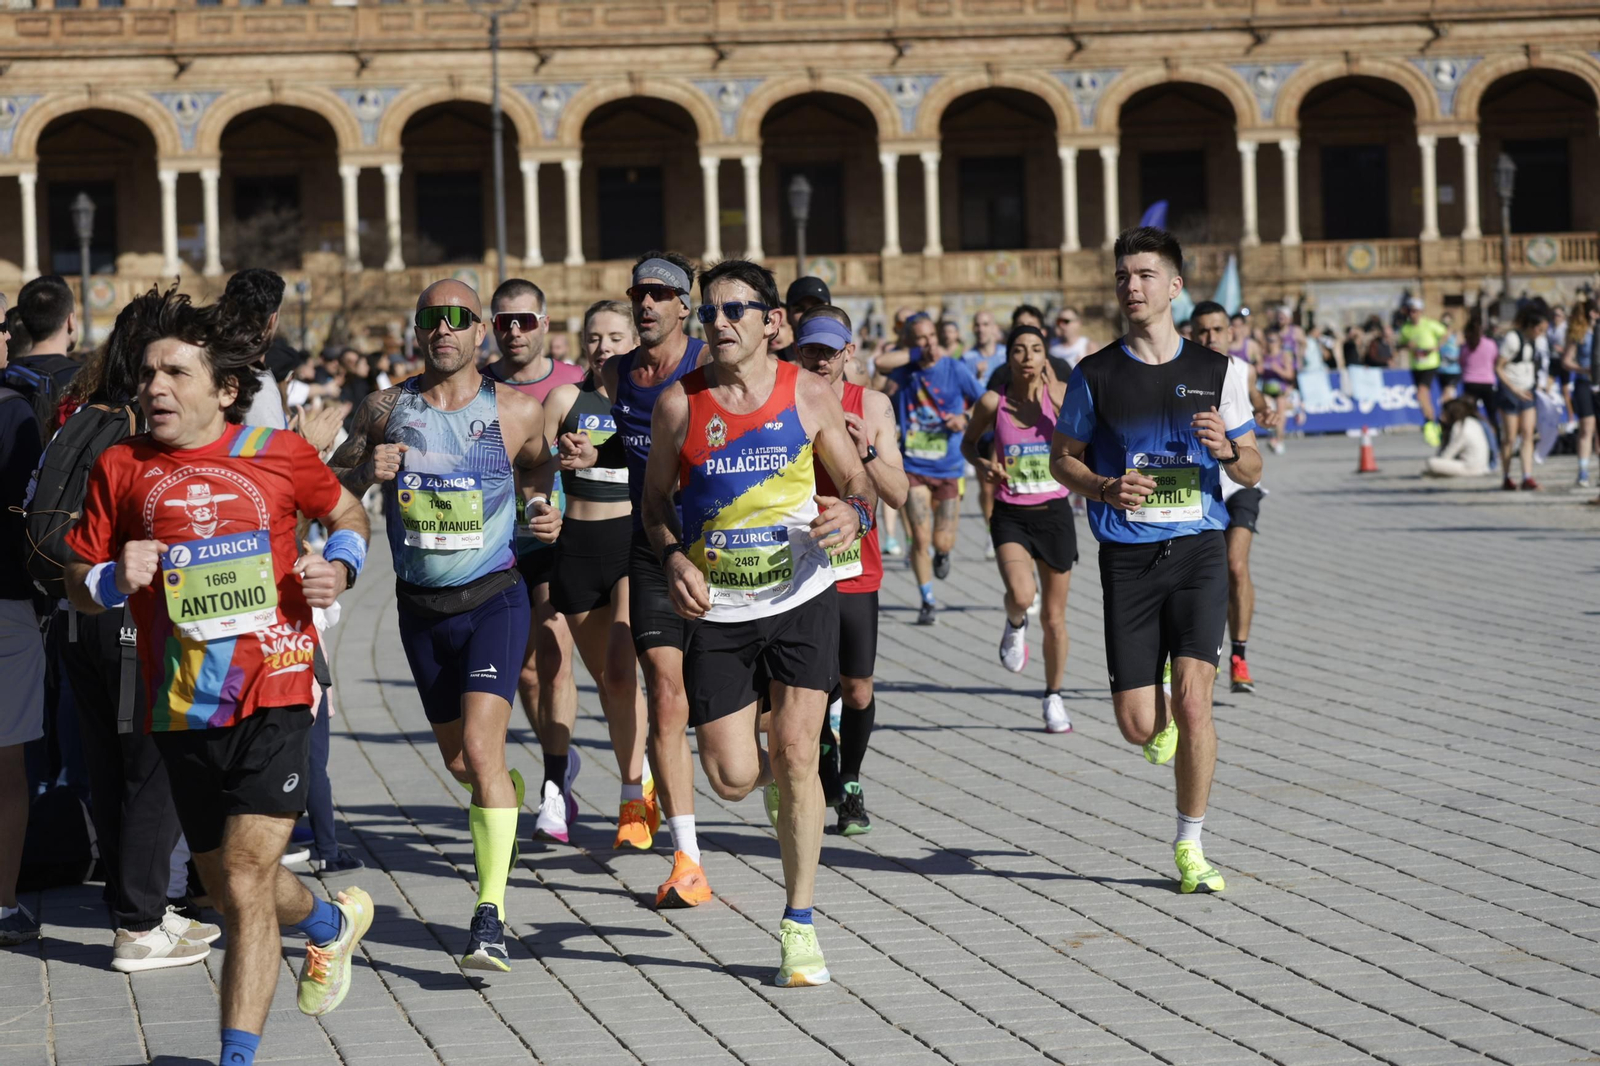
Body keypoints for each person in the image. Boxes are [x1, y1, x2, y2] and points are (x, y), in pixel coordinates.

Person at [62, 287, 375, 1066]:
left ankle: (235, 1057)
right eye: (145, 373)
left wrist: (339, 564)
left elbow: (348, 515)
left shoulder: (278, 453)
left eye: (174, 373)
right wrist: (108, 578)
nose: (153, 387)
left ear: (224, 388)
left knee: (240, 877)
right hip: (180, 705)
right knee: (241, 888)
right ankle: (329, 926)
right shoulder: (120, 465)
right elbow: (75, 575)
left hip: (276, 687)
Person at [641, 258, 873, 986]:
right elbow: (654, 509)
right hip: (720, 610)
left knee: (801, 754)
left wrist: (853, 510)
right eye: (710, 312)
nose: (719, 323)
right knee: (735, 775)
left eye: (735, 310)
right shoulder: (679, 406)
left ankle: (799, 924)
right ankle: (779, 781)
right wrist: (674, 558)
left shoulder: (805, 392)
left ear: (771, 321)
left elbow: (858, 480)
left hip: (802, 598)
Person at [330, 279, 561, 971]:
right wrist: (365, 471)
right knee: (463, 763)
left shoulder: (516, 410)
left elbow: (540, 467)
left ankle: (488, 917)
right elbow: (330, 490)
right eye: (433, 319)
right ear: (419, 330)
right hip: (419, 608)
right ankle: (507, 801)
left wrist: (543, 506)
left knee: (484, 756)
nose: (445, 330)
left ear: (481, 330)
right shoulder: (385, 408)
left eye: (459, 319)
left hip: (494, 597)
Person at [1049, 226, 1262, 895]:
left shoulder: (1219, 371)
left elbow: (1252, 465)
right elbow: (1063, 459)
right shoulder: (1096, 374)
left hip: (1198, 548)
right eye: (1121, 276)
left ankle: (1190, 845)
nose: (1131, 287)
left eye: (1144, 275)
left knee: (1196, 705)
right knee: (1140, 724)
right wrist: (1104, 486)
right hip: (1128, 558)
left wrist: (1228, 450)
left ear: (1174, 286)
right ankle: (1157, 697)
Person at [575, 252, 713, 909]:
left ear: (685, 305)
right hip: (651, 545)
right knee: (661, 683)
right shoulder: (616, 373)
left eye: (662, 294)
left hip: (725, 551)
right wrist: (592, 452)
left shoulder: (707, 368)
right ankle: (686, 854)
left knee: (731, 750)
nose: (648, 304)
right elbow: (637, 446)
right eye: (640, 294)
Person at [545, 299, 656, 849]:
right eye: (593, 337)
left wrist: (600, 458)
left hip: (629, 542)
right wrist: (541, 505)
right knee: (612, 685)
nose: (603, 347)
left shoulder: (643, 399)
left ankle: (632, 794)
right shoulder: (567, 398)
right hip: (577, 547)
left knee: (620, 666)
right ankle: (637, 774)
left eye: (615, 336)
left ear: (633, 339)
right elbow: (532, 462)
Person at [794, 304, 907, 836]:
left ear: (849, 351)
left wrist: (865, 452)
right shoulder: (783, 399)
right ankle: (826, 777)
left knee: (856, 689)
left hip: (855, 566)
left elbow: (900, 494)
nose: (818, 359)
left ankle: (852, 776)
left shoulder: (874, 405)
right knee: (808, 688)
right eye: (809, 348)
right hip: (796, 563)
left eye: (828, 349)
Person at [483, 279, 588, 842]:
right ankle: (560, 755)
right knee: (523, 670)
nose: (515, 331)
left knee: (554, 652)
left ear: (545, 324)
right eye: (504, 322)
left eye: (525, 320)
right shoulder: (479, 388)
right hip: (499, 545)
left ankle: (553, 788)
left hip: (560, 539)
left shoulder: (574, 383)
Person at [961, 325, 1076, 732]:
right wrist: (984, 464)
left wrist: (1061, 417)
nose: (1028, 357)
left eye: (1036, 350)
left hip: (1056, 513)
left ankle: (1053, 697)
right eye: (1019, 350)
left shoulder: (1061, 396)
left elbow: (1089, 442)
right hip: (1011, 512)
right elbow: (968, 444)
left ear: (1046, 357)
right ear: (1008, 358)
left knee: (1055, 618)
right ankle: (1013, 624)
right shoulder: (994, 400)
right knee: (1024, 595)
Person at [1192, 302, 1275, 695]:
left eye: (1216, 330)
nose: (1210, 338)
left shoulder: (1242, 370)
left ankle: (1239, 654)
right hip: (1199, 488)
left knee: (1236, 566)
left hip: (1240, 483)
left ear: (1230, 334)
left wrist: (1267, 412)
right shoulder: (1181, 370)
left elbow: (1256, 398)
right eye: (1202, 331)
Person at [881, 314, 985, 624]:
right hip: (913, 464)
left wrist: (965, 418)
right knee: (920, 538)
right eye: (922, 339)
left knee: (942, 541)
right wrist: (915, 353)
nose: (930, 344)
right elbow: (880, 363)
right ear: (911, 344)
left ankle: (943, 554)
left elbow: (985, 401)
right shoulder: (906, 371)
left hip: (948, 465)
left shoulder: (954, 368)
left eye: (933, 337)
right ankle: (927, 599)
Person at [0, 319, 44, 948]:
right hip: (7, 601)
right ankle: (3, 903)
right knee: (8, 765)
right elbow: (32, 519)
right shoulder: (15, 413)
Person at [1496, 309, 1545, 491]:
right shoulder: (1512, 339)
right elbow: (1499, 367)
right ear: (1531, 327)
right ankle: (1507, 476)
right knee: (1509, 437)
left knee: (1527, 434)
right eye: (1539, 329)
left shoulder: (1535, 342)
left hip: (1528, 391)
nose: (1541, 334)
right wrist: (1513, 389)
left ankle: (1527, 476)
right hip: (1511, 391)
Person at [1398, 297, 1447, 447]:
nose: (1412, 314)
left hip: (1430, 364)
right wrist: (1408, 345)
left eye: (1415, 311)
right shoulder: (1406, 328)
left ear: (1420, 312)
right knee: (1422, 396)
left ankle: (1430, 421)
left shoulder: (1429, 324)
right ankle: (1430, 419)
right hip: (1416, 365)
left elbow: (1445, 333)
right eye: (1410, 311)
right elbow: (1401, 344)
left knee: (1421, 392)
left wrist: (1436, 347)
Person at [1559, 302, 1596, 488]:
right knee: (1586, 429)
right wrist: (1584, 369)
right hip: (1585, 383)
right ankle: (1583, 471)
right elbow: (1566, 361)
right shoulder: (1580, 333)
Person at [1423, 398, 1492, 477]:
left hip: (1471, 468)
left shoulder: (1459, 427)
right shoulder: (1471, 421)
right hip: (1481, 466)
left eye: (1444, 413)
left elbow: (1448, 454)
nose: (1441, 416)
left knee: (1431, 462)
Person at [1258, 329, 1295, 454]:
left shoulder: (1284, 355)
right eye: (1268, 340)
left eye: (1273, 340)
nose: (1270, 343)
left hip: (1281, 390)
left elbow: (1290, 375)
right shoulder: (1264, 356)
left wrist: (1278, 369)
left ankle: (1279, 440)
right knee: (1267, 409)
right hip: (1267, 390)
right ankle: (1273, 435)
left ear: (1279, 342)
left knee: (1280, 411)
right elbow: (1259, 373)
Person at [1458, 314, 1499, 420]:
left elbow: (1462, 362)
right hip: (1487, 382)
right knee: (1492, 415)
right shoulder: (1491, 344)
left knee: (1470, 414)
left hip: (1470, 382)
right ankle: (1495, 435)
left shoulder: (1466, 346)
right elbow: (1495, 361)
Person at [961, 310, 1003, 384]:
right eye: (977, 325)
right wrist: (978, 378)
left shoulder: (1006, 354)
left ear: (994, 327)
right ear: (973, 329)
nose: (981, 329)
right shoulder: (966, 359)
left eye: (985, 324)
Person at [1437, 311, 1462, 402]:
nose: (1446, 325)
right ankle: (1449, 413)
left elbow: (1461, 346)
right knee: (1447, 394)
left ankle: (1445, 414)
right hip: (1442, 370)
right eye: (1444, 322)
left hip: (1454, 370)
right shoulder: (1439, 336)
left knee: (1448, 394)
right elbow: (1436, 348)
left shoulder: (1456, 334)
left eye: (1448, 322)